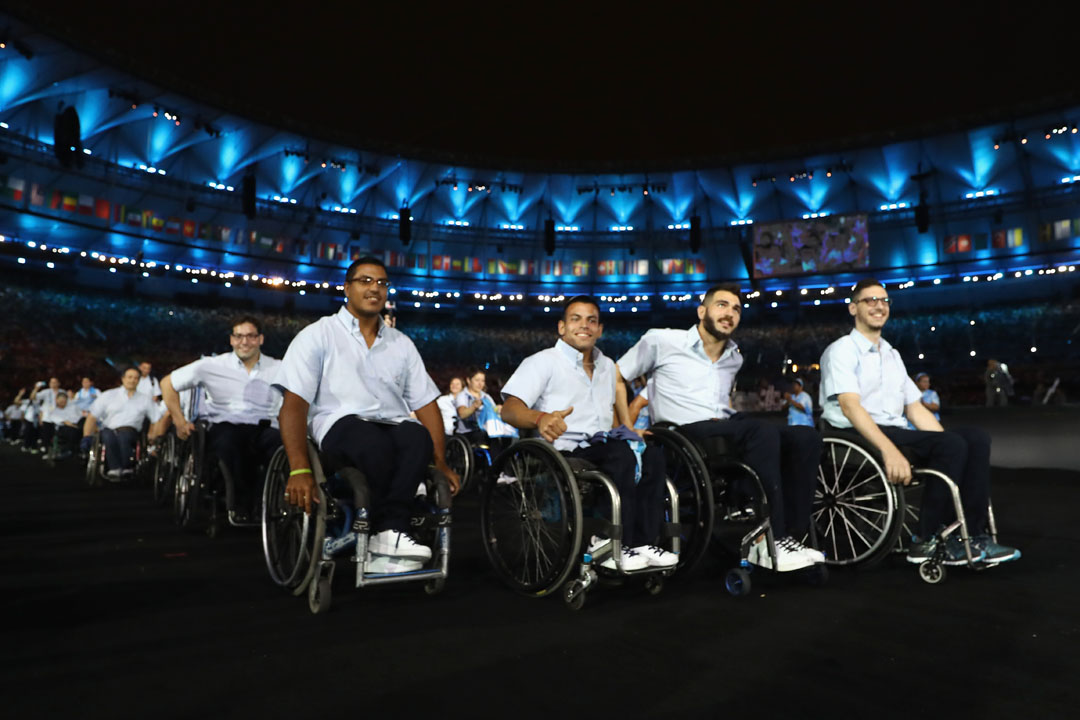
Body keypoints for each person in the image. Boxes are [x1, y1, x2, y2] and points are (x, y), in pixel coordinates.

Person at [616, 283, 824, 572]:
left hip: (722, 427)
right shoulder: (661, 341)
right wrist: (626, 428)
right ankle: (770, 538)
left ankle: (792, 536)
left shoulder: (734, 356)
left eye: (736, 308)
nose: (730, 313)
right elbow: (615, 376)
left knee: (805, 437)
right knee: (760, 431)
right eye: (722, 305)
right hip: (681, 433)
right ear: (702, 311)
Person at [819, 278, 1020, 565]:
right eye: (870, 300)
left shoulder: (891, 354)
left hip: (894, 429)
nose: (879, 306)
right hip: (856, 433)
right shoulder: (841, 350)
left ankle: (973, 536)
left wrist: (951, 446)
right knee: (951, 445)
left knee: (974, 438)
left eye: (884, 300)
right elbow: (850, 408)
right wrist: (889, 450)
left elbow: (914, 409)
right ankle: (927, 539)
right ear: (853, 308)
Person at [275, 256, 459, 567]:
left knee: (417, 436)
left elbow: (426, 404)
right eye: (365, 281)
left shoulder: (401, 344)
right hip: (341, 427)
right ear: (346, 288)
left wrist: (440, 462)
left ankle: (388, 533)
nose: (375, 288)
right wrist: (299, 468)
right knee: (371, 439)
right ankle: (391, 530)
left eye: (382, 283)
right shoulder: (318, 335)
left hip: (392, 425)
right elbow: (293, 405)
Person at [500, 295, 676, 571]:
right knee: (621, 456)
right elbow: (509, 409)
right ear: (561, 327)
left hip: (601, 443)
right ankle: (606, 541)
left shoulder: (606, 365)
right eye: (576, 319)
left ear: (600, 329)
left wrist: (629, 431)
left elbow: (609, 414)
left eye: (591, 320)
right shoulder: (543, 361)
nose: (585, 325)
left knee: (652, 455)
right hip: (563, 448)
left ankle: (642, 542)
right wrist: (540, 417)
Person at [161, 316, 283, 523]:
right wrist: (179, 420)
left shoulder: (280, 367)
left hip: (265, 427)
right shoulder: (210, 365)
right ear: (231, 340)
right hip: (226, 425)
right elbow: (167, 383)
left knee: (283, 446)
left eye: (251, 336)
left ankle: (271, 504)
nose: (244, 341)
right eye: (239, 336)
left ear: (260, 339)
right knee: (230, 445)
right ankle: (241, 504)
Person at [82, 366, 164, 479]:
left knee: (124, 435)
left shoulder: (145, 399)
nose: (132, 380)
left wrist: (152, 435)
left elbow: (156, 419)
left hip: (131, 431)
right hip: (109, 429)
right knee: (107, 435)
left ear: (139, 381)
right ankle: (114, 468)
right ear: (123, 379)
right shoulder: (108, 395)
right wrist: (86, 436)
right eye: (129, 377)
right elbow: (92, 417)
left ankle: (127, 467)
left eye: (136, 378)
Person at [41, 391, 81, 457]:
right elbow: (63, 421)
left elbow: (80, 415)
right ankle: (68, 450)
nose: (63, 404)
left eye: (64, 402)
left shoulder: (72, 406)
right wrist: (73, 425)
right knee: (72, 431)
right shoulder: (52, 409)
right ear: (56, 400)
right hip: (62, 428)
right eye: (61, 401)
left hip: (75, 424)